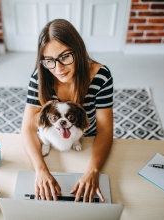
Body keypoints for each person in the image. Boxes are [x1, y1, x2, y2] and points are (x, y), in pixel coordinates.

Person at [21, 19, 113, 203]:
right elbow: (28, 129)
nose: (58, 68)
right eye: (49, 61)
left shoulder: (101, 76)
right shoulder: (40, 77)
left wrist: (93, 170)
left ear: (78, 50)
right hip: (50, 141)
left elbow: (105, 130)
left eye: (64, 57)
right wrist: (40, 170)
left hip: (86, 141)